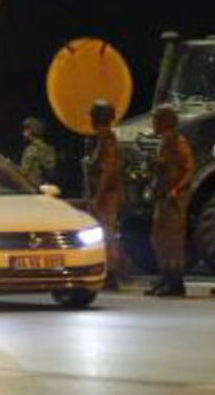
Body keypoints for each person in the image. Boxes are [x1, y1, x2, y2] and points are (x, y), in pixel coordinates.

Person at [145, 105, 195, 297]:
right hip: (163, 196)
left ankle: (175, 281)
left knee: (172, 239)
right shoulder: (164, 143)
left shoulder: (178, 143)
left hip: (174, 199)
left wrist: (177, 189)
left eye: (156, 120)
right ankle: (165, 276)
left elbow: (189, 169)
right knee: (159, 238)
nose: (153, 124)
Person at [85, 99, 125, 290]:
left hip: (106, 197)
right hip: (103, 195)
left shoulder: (107, 141)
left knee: (106, 234)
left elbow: (108, 172)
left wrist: (98, 198)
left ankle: (110, 273)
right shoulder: (102, 140)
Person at [20, 116, 56, 186]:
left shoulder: (34, 149)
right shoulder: (45, 148)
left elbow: (24, 172)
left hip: (32, 186)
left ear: (30, 131)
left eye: (25, 130)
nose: (23, 133)